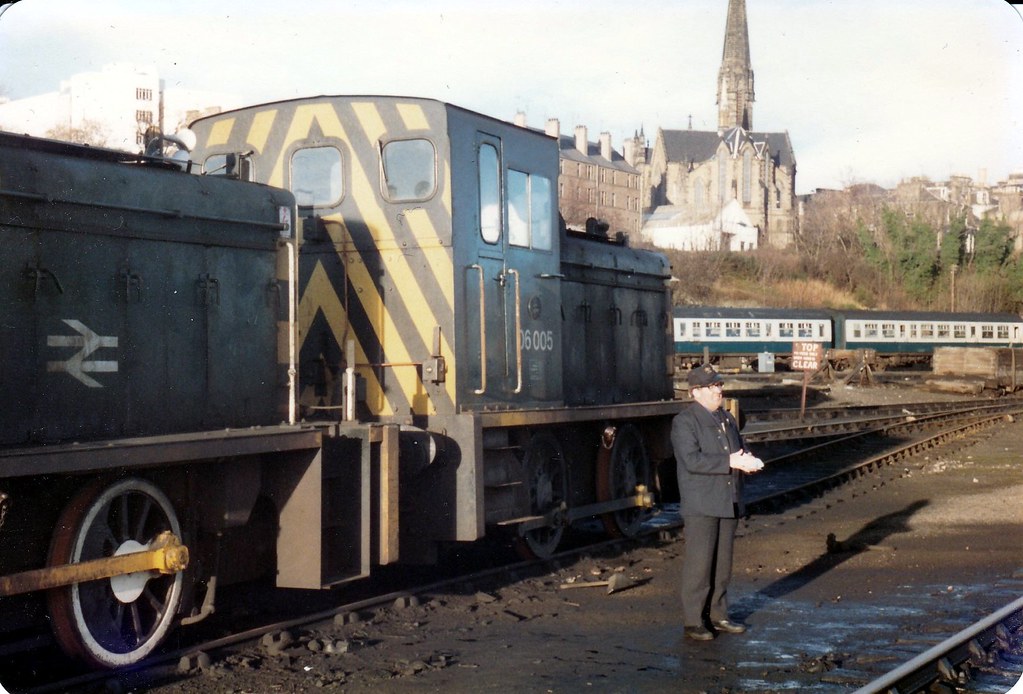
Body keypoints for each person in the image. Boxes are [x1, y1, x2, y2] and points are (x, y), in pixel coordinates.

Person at [671, 363, 763, 641]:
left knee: (722, 565)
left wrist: (746, 459)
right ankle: (693, 621)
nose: (719, 390)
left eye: (720, 385)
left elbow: (738, 447)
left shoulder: (725, 418)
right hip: (702, 503)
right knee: (700, 565)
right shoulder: (685, 422)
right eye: (713, 386)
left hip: (728, 500)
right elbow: (691, 460)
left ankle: (718, 615)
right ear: (696, 391)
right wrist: (730, 461)